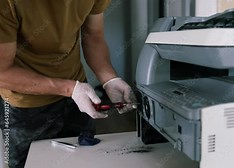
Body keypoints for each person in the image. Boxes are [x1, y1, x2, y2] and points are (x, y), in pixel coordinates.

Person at [0, 0, 136, 167]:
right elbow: (2, 72)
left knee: (83, 160)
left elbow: (93, 36)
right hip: (25, 104)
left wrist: (109, 79)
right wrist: (70, 89)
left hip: (77, 94)